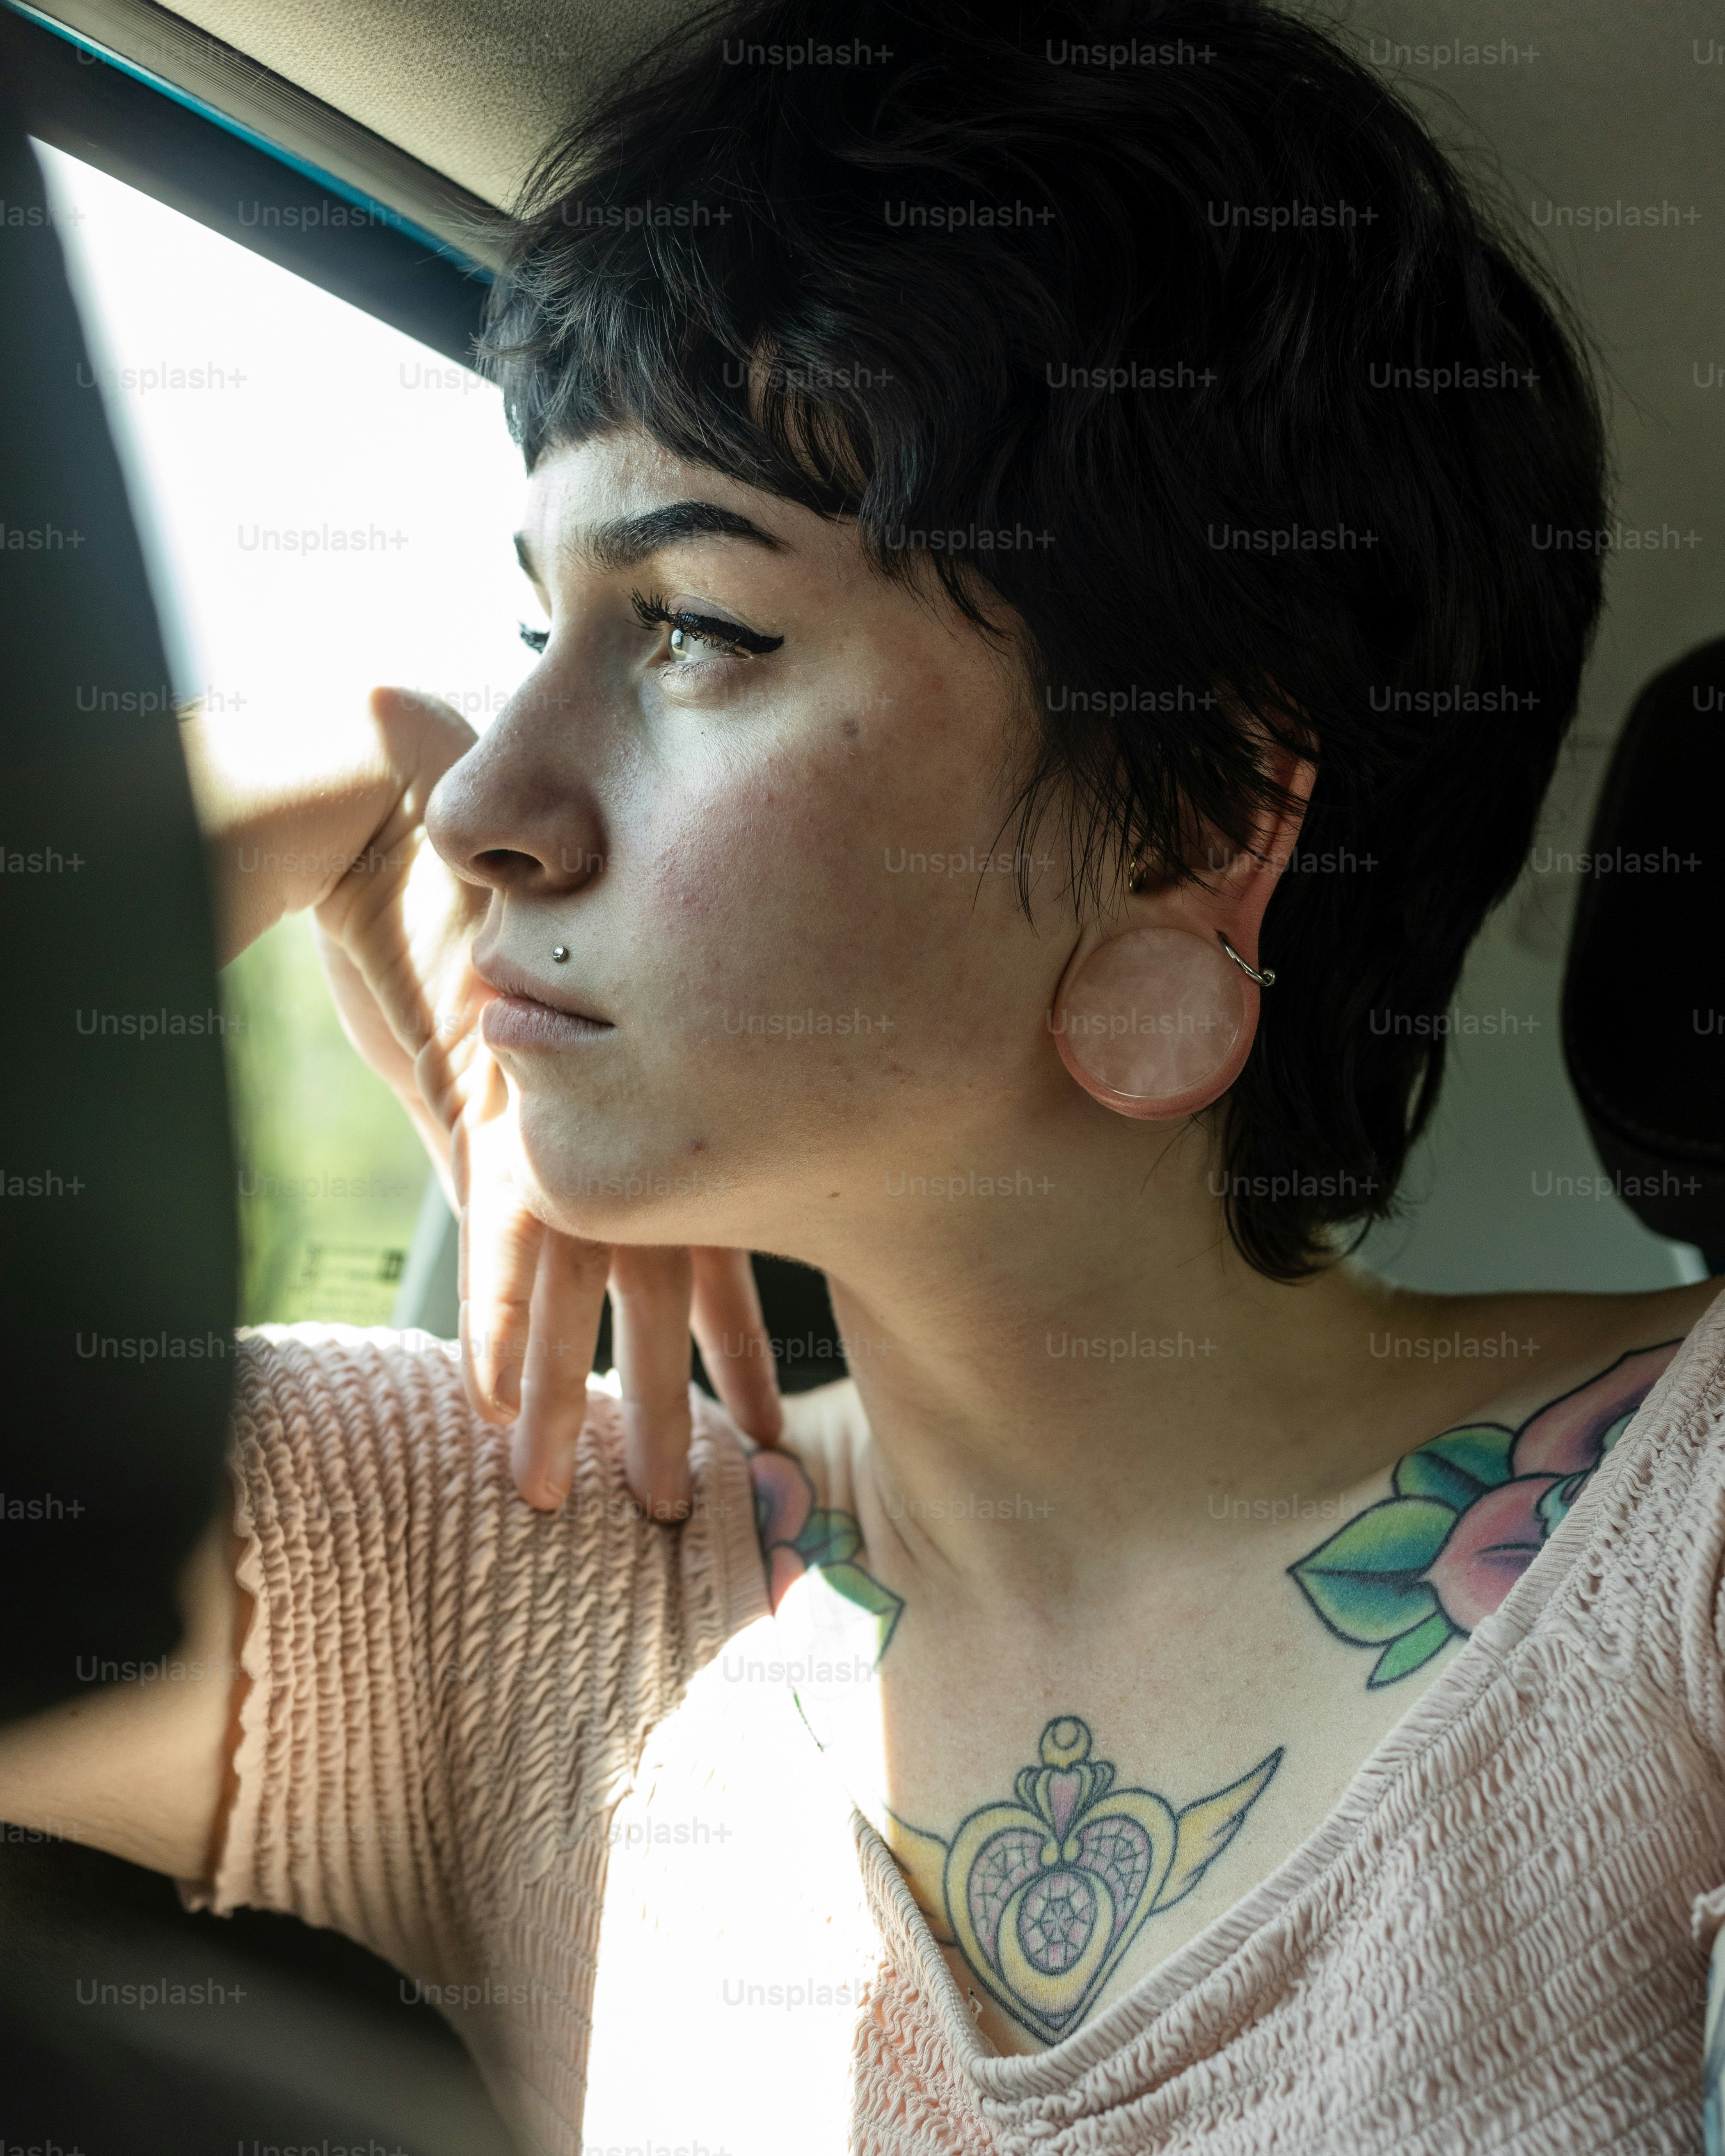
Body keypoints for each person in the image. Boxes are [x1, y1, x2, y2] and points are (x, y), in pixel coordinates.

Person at [4, 0, 1724, 2148]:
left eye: (699, 630)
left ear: (1196, 826)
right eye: (535, 620)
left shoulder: (1689, 1536)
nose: (493, 802)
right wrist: (320, 776)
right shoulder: (525, 1542)